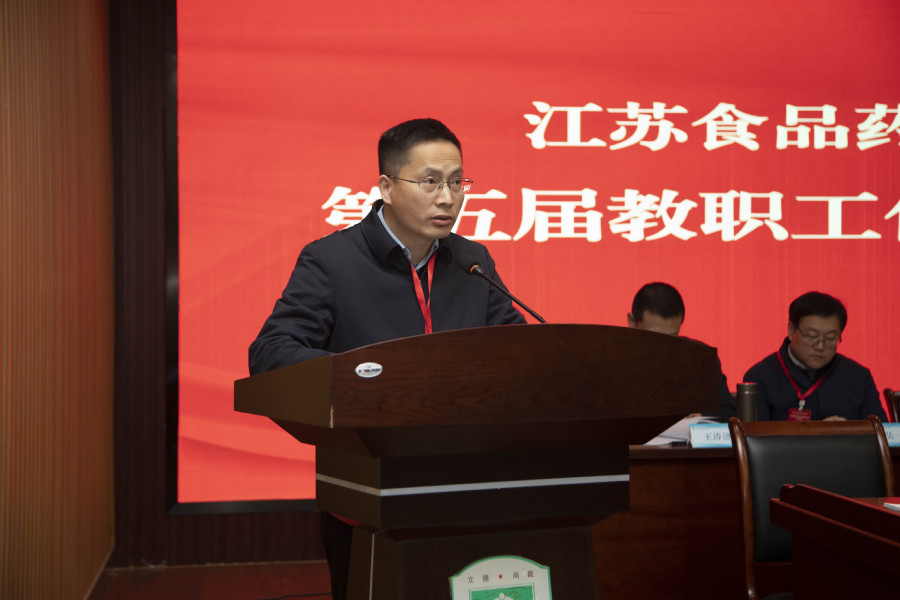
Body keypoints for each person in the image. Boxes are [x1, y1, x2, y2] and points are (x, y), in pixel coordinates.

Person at [248, 118, 526, 600]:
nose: (447, 198)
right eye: (430, 182)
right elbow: (272, 351)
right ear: (387, 187)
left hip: (467, 488)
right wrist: (373, 380)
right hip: (367, 493)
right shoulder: (332, 261)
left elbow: (519, 352)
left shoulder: (472, 261)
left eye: (457, 182)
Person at [742, 291, 885, 422]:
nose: (820, 346)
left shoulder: (859, 377)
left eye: (830, 338)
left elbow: (884, 434)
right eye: (811, 336)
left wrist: (848, 432)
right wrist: (816, 435)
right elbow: (754, 439)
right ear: (791, 330)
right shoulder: (760, 377)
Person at [627, 282, 736, 418]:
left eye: (672, 337)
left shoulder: (700, 358)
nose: (663, 347)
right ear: (632, 322)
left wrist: (701, 415)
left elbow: (728, 411)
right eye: (654, 337)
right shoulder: (609, 360)